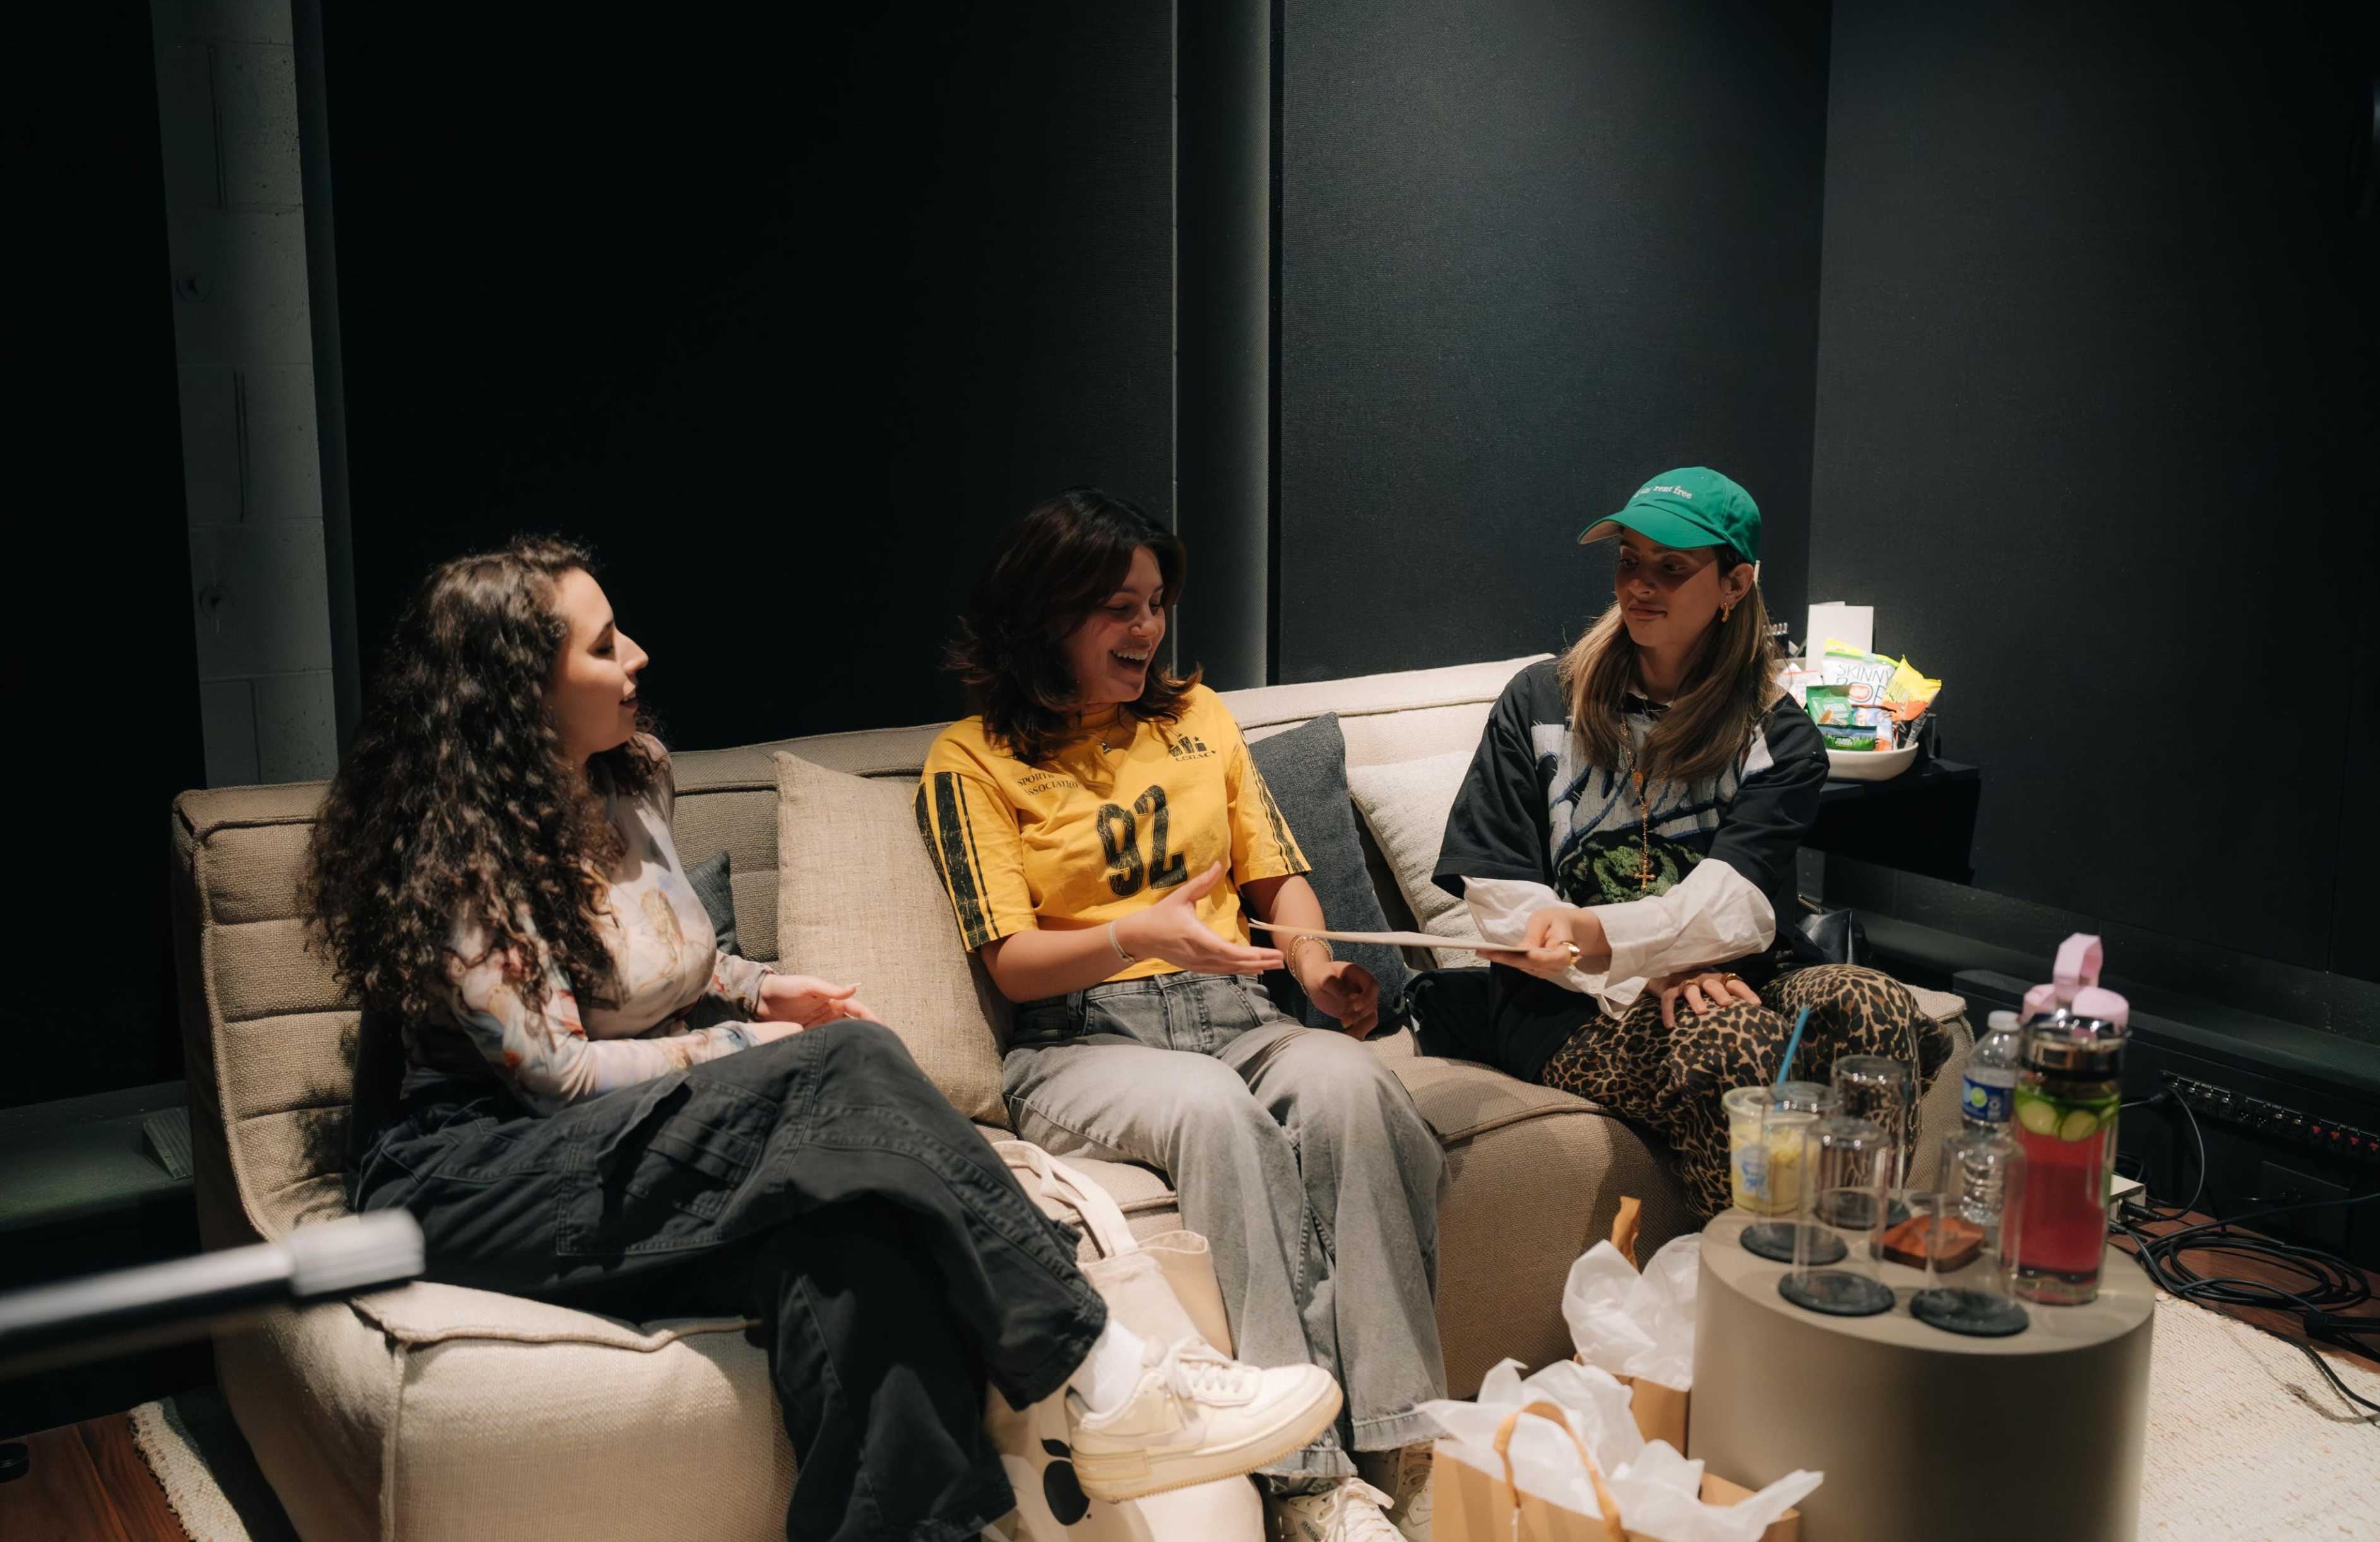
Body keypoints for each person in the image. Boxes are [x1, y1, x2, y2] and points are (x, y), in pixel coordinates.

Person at [306, 536, 1338, 1542]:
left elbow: (656, 953)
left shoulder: (630, 777)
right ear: (519, 688)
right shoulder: (462, 850)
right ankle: (1108, 1372)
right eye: (605, 644)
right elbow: (559, 1075)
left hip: (613, 1142)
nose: (638, 656)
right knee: (841, 1064)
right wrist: (749, 1042)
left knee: (856, 1237)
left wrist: (762, 985)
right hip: (475, 1173)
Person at [918, 490, 1446, 1542]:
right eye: (1119, 605)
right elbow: (1011, 961)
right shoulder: (970, 759)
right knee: (1215, 1112)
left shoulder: (1200, 720)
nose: (1147, 627)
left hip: (1237, 1008)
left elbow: (1276, 876)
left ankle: (1404, 1446)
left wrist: (1316, 964)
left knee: (1352, 1086)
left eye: (1156, 602)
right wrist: (1135, 935)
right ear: (1048, 612)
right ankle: (1307, 1482)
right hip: (1081, 1035)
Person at [1423, 468, 1949, 1218]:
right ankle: (1742, 1271)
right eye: (1628, 560)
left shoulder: (1779, 735)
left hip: (1739, 975)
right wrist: (1642, 969)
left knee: (1871, 1002)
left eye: (1671, 567)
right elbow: (1502, 896)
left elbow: (1734, 903)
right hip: (1569, 1008)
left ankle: (1850, 1252)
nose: (1639, 584)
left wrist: (1620, 939)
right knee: (1729, 1038)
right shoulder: (1540, 700)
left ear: (1735, 585)